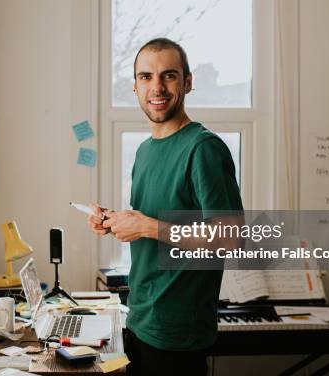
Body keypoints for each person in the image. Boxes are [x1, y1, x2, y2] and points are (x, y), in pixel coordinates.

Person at [87, 38, 243, 375]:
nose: (156, 87)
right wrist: (117, 223)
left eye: (168, 76)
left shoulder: (204, 149)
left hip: (177, 334)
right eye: (146, 77)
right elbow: (156, 228)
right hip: (140, 319)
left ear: (187, 82)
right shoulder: (145, 151)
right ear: (135, 86)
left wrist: (145, 226)